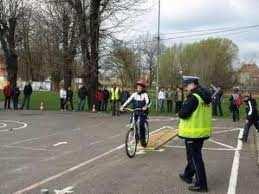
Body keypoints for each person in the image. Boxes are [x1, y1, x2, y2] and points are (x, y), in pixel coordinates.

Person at [178, 76, 212, 192]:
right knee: (192, 156)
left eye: (187, 85)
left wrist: (181, 108)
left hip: (192, 133)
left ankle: (201, 184)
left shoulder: (194, 97)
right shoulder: (204, 96)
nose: (186, 87)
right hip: (201, 132)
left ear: (193, 84)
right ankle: (188, 175)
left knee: (196, 158)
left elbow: (183, 114)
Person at [120, 80, 150, 147]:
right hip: (135, 111)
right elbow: (128, 101)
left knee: (141, 124)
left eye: (140, 87)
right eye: (137, 87)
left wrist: (145, 106)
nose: (138, 88)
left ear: (142, 88)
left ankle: (143, 140)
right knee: (132, 123)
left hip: (142, 112)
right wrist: (123, 106)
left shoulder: (145, 95)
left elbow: (148, 102)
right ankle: (135, 135)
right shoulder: (134, 94)